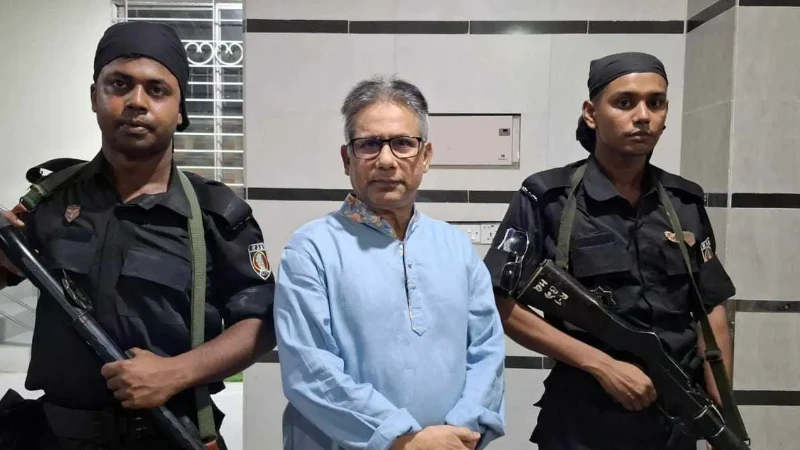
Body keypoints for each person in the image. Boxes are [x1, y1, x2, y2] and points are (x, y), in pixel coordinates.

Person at [0, 21, 276, 450]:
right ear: (94, 96)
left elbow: (261, 322)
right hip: (57, 436)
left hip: (170, 434)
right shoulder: (49, 199)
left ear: (181, 109)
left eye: (157, 89)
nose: (136, 101)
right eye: (119, 84)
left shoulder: (214, 214)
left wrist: (176, 373)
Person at [483, 52, 736, 450]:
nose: (643, 116)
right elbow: (498, 301)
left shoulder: (684, 202)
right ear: (591, 113)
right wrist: (601, 365)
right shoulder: (548, 198)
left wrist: (721, 415)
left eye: (656, 102)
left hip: (675, 421)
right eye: (625, 102)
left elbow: (711, 308)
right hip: (582, 422)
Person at [273, 75, 506, 450]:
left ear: (425, 156)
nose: (385, 160)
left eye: (402, 144)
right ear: (347, 159)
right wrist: (403, 439)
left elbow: (487, 351)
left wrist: (461, 432)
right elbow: (309, 370)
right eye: (369, 145)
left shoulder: (455, 247)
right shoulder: (311, 249)